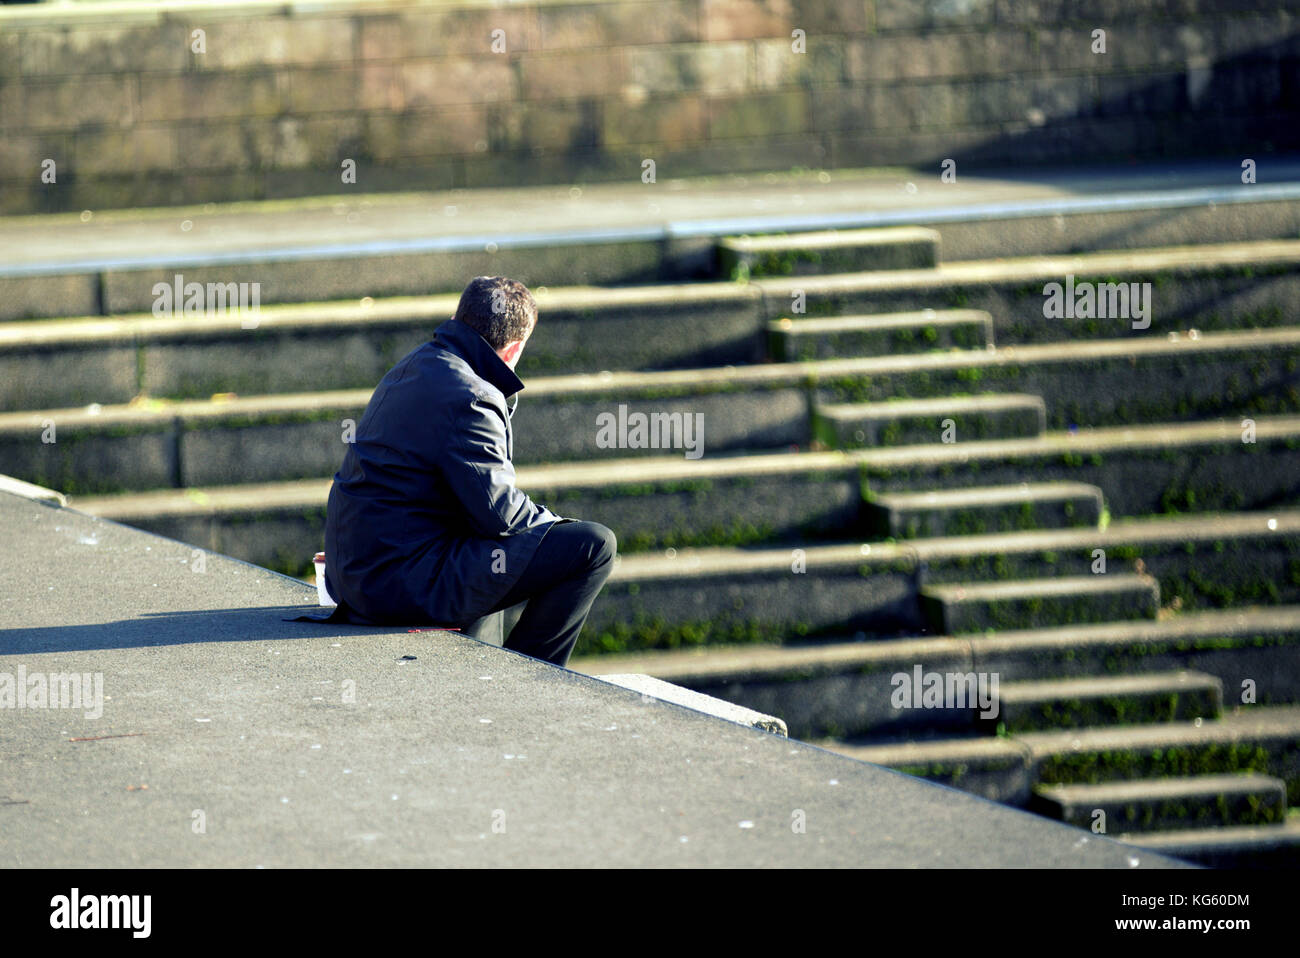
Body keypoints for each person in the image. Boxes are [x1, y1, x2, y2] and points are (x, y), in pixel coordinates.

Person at [315, 275, 616, 667]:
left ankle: (482, 667)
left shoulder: (416, 364)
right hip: (396, 584)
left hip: (358, 572)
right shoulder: (472, 395)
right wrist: (555, 526)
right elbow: (504, 515)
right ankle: (528, 680)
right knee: (593, 546)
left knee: (490, 551)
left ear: (459, 316)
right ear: (513, 349)